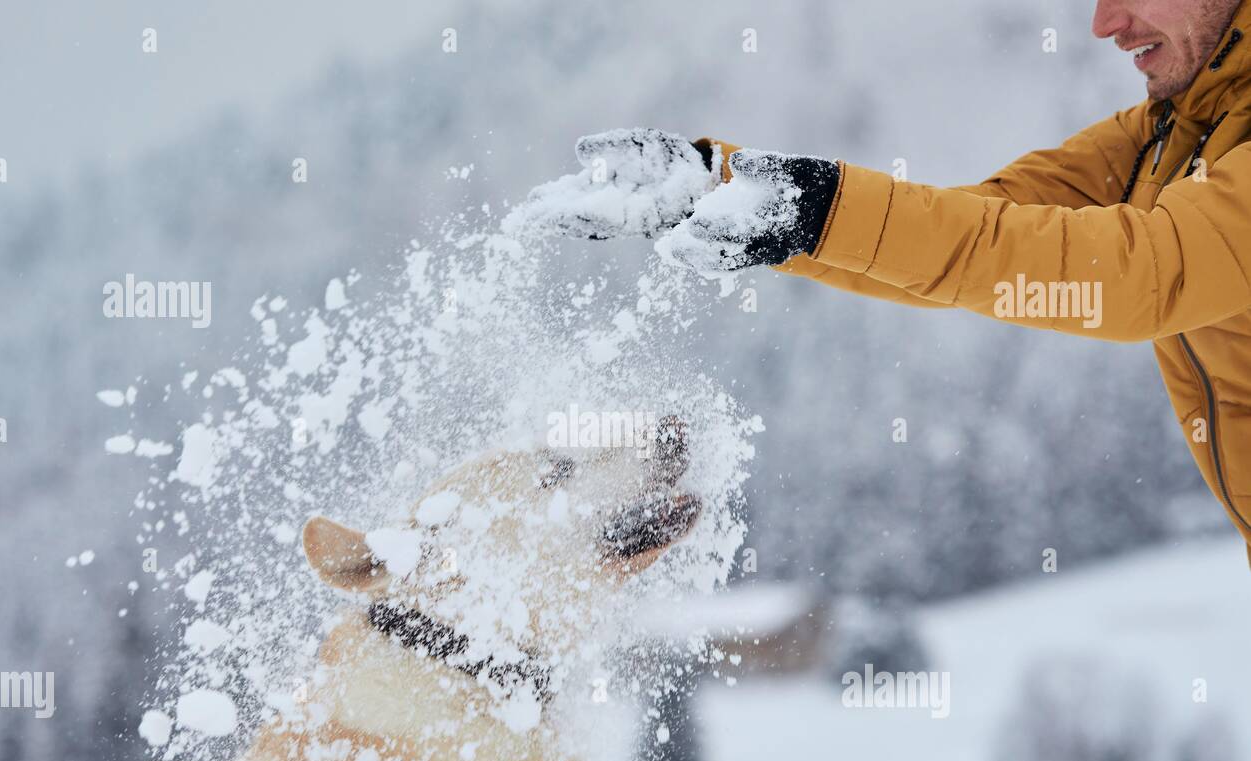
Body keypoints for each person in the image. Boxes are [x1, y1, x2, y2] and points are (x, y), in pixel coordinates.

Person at [517, 0, 1251, 564]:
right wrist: (734, 194)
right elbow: (971, 236)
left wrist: (810, 206)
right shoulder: (1179, 128)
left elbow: (1141, 273)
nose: (1105, 23)